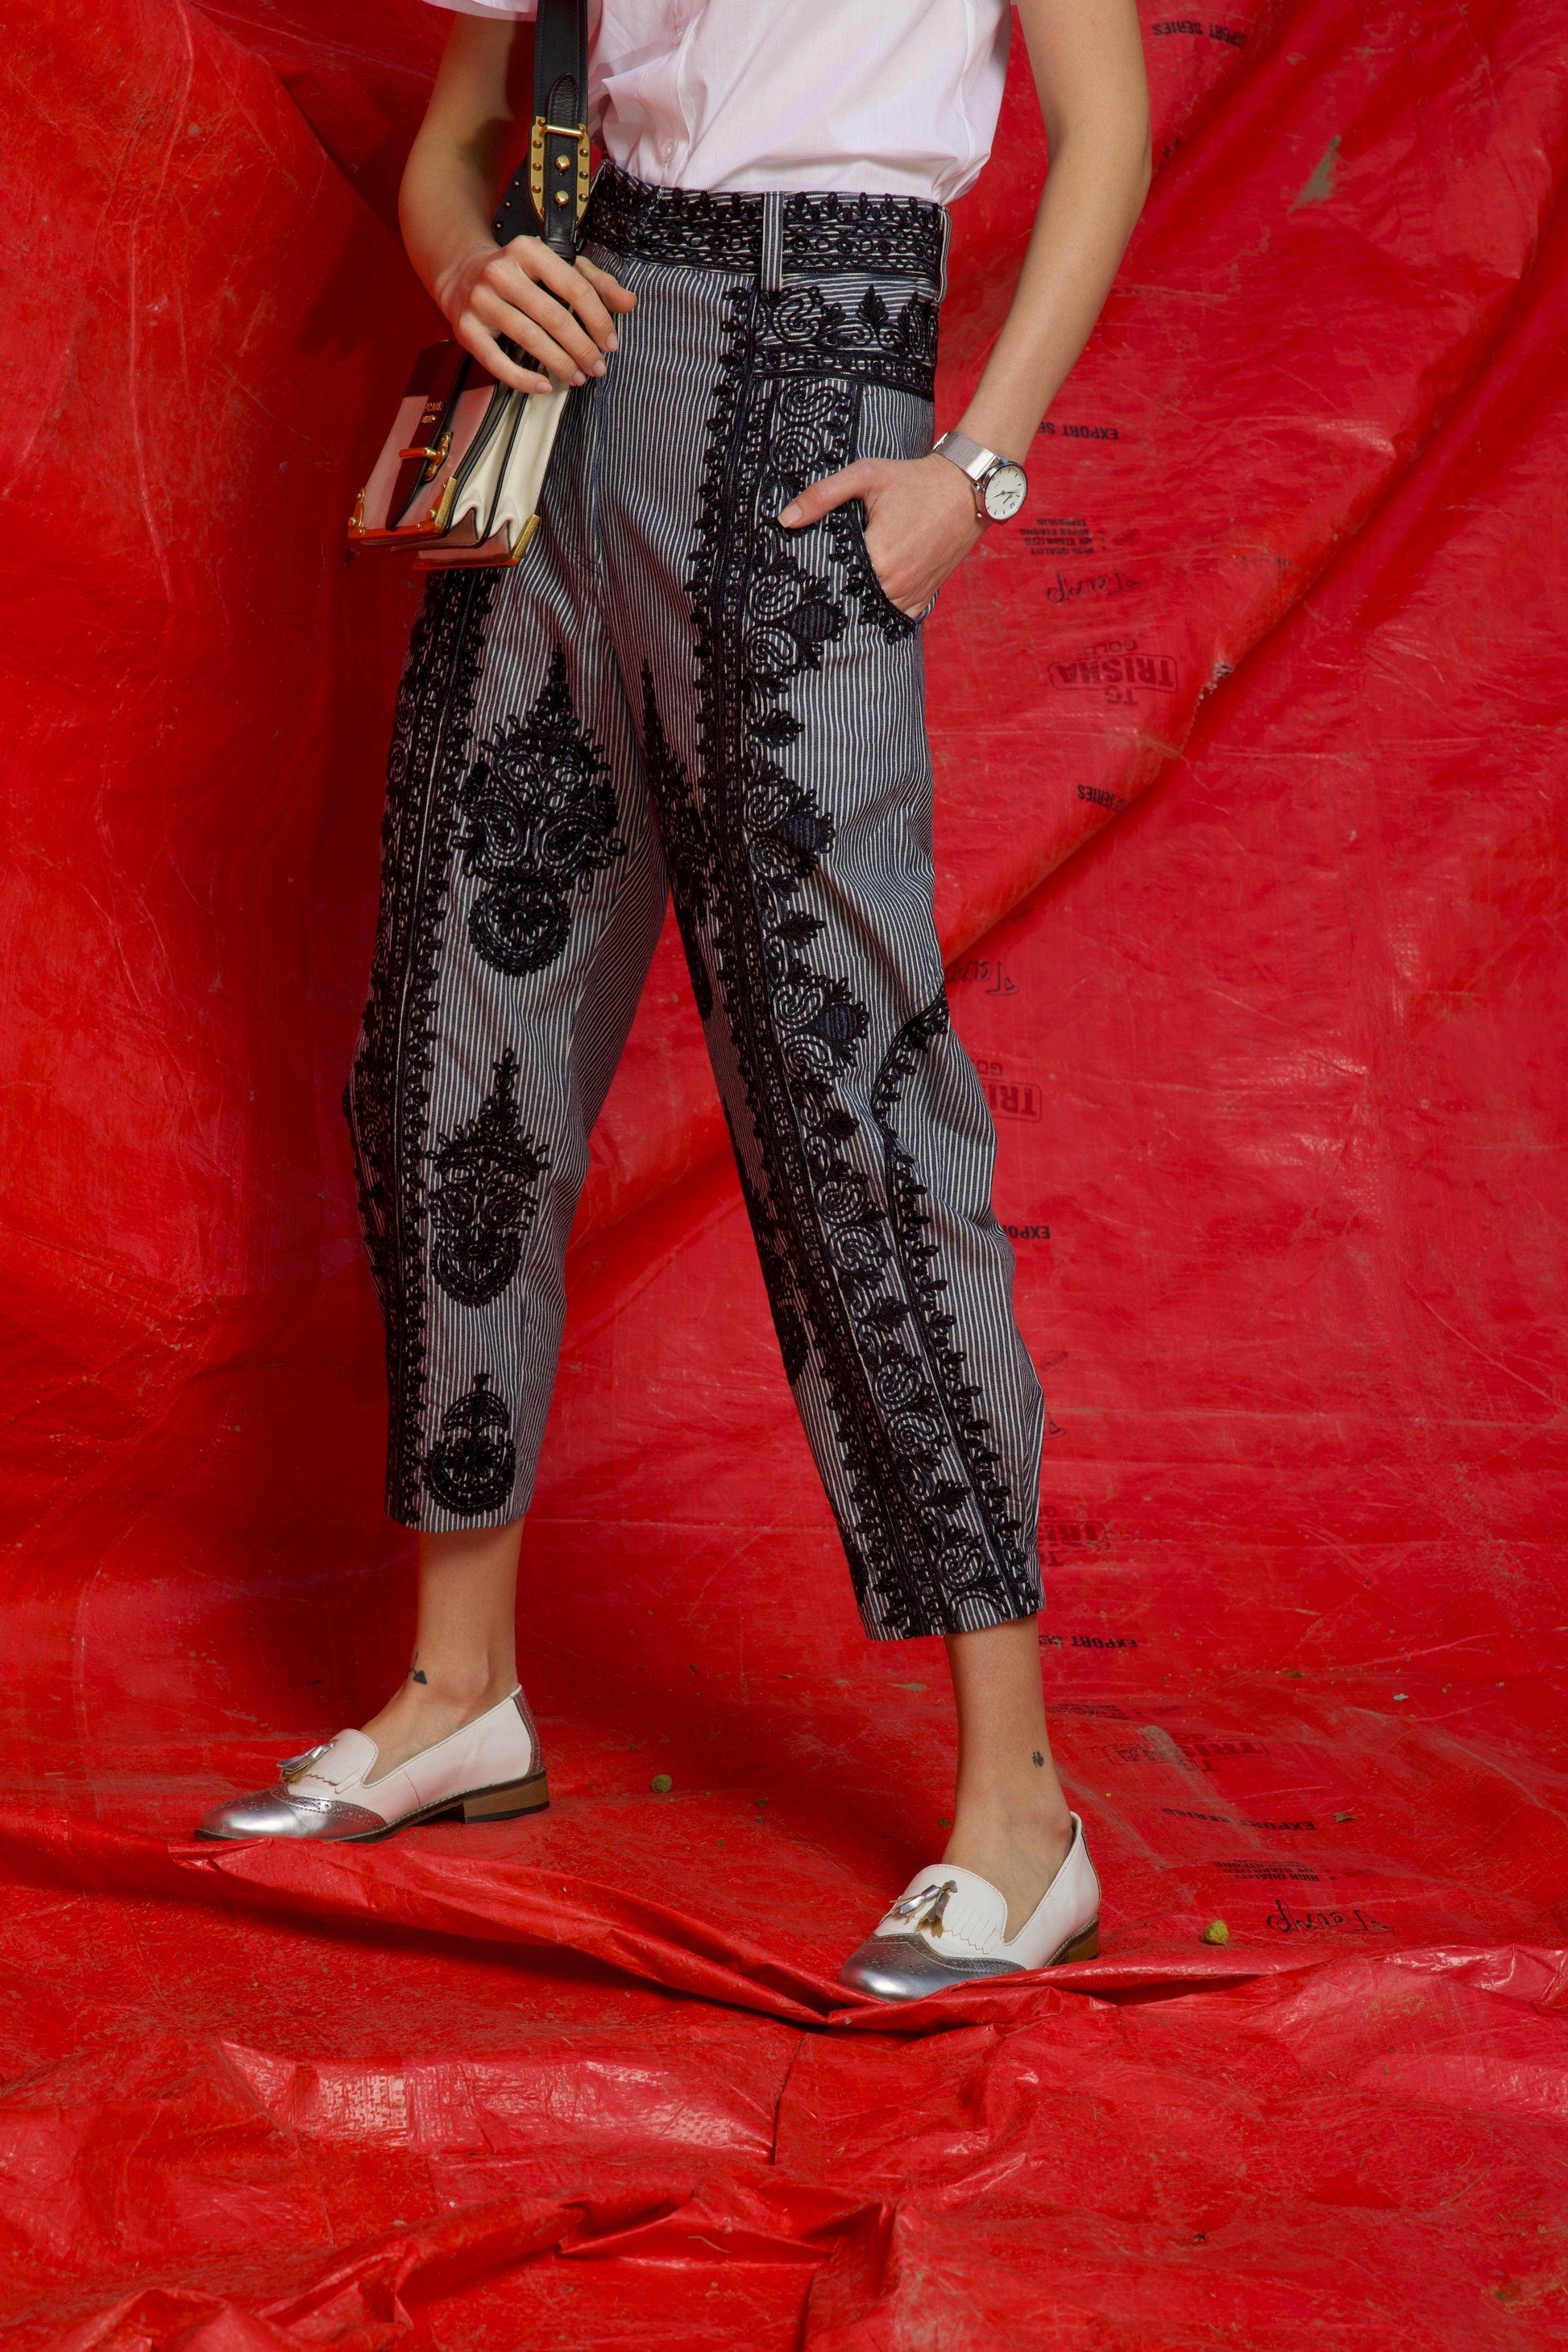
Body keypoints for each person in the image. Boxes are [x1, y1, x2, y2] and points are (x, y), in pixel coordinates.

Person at [198, 0, 1151, 2001]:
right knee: (454, 1030)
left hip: (819, 383)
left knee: (846, 1083)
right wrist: (464, 264)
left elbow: (1108, 125)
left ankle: (1021, 1812)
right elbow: (459, 137)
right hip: (567, 369)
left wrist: (972, 472)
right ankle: (460, 1684)